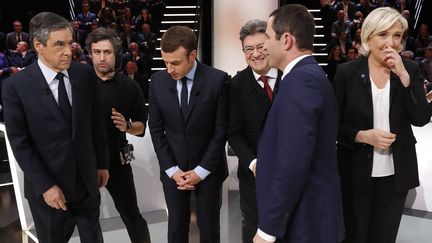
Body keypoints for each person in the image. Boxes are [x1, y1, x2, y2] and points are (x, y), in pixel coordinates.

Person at [1, 12, 109, 243]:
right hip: (49, 189)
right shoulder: (15, 87)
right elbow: (20, 143)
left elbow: (96, 123)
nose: (68, 51)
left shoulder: (84, 74)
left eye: (70, 43)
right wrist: (46, 186)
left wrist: (102, 164)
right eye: (59, 44)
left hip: (87, 182)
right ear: (38, 45)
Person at [333, 7, 432, 243]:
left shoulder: (410, 70)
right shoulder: (347, 72)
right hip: (355, 172)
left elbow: (421, 118)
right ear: (368, 37)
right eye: (383, 35)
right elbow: (332, 125)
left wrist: (405, 78)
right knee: (355, 237)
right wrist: (361, 136)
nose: (391, 43)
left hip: (396, 175)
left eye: (397, 35)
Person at [253, 4, 344, 243]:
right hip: (306, 218)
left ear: (286, 40)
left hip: (305, 222)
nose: (264, 46)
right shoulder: (306, 76)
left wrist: (267, 229)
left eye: (268, 38)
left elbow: (292, 162)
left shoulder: (301, 82)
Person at [148, 25, 229, 243]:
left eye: (175, 62)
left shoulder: (218, 80)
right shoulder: (157, 82)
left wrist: (200, 172)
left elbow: (220, 131)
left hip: (208, 170)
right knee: (176, 229)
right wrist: (173, 170)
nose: (169, 69)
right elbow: (156, 129)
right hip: (173, 170)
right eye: (165, 62)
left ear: (192, 55)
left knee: (209, 230)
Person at [86, 27, 151, 243]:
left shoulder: (130, 87)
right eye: (97, 52)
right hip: (85, 162)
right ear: (90, 53)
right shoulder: (79, 85)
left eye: (107, 52)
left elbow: (141, 127)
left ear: (117, 54)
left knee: (132, 216)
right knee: (87, 220)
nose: (102, 58)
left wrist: (127, 126)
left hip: (117, 161)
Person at [228, 19, 281, 243]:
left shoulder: (292, 77)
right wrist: (253, 163)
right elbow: (234, 132)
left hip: (292, 172)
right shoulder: (236, 84)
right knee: (254, 227)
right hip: (253, 177)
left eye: (261, 47)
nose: (256, 54)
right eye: (249, 49)